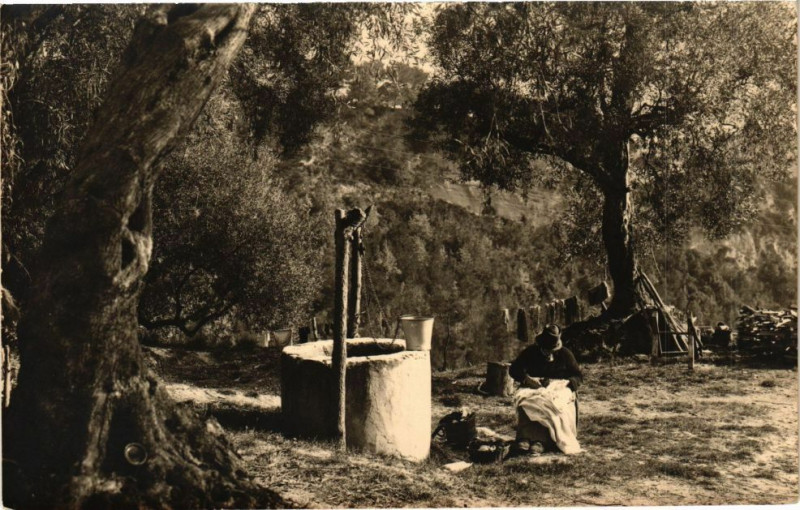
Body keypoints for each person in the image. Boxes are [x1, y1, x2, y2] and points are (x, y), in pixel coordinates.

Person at [509, 324, 582, 455]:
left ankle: (541, 441)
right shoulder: (530, 352)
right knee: (528, 401)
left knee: (551, 404)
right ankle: (525, 438)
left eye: (552, 351)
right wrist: (527, 379)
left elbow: (577, 376)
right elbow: (514, 369)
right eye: (546, 350)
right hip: (534, 387)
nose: (549, 354)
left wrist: (566, 385)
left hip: (558, 389)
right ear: (541, 346)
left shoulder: (565, 354)